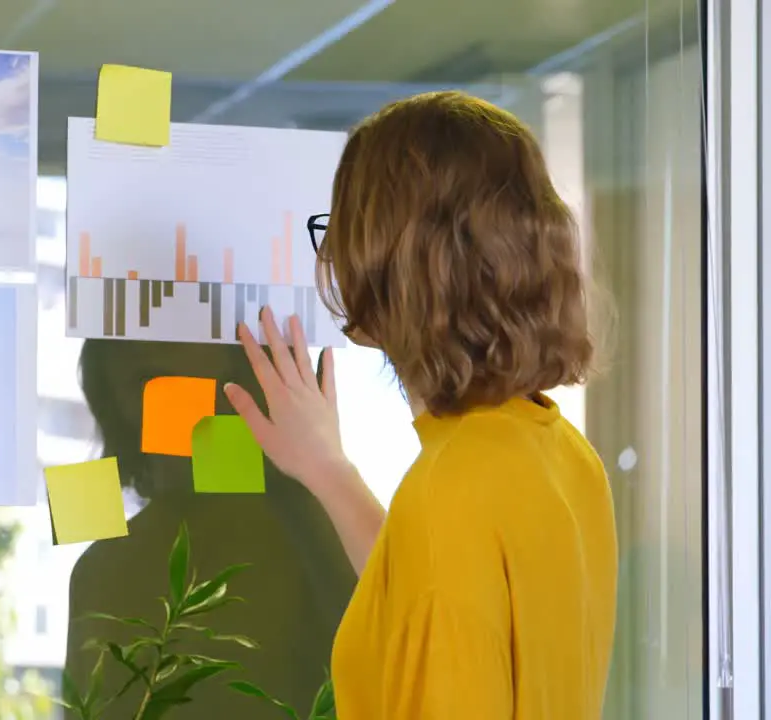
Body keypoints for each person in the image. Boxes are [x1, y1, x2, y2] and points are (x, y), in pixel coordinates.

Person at [225, 90, 618, 718]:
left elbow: (442, 571)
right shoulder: (560, 453)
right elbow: (436, 595)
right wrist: (331, 472)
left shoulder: (448, 498)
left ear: (389, 265)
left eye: (343, 231)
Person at [63, 340, 357, 717]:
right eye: (120, 337)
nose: (147, 343)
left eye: (178, 320)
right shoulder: (99, 569)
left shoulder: (301, 528)